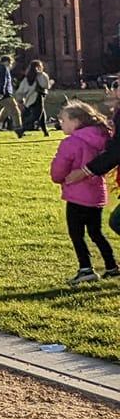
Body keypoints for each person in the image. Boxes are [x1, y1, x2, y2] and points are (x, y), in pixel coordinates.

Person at [52, 102, 119, 285]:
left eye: (63, 120)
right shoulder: (103, 138)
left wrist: (59, 179)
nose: (61, 123)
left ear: (76, 121)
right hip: (96, 194)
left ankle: (85, 268)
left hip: (76, 195)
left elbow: (58, 170)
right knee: (96, 232)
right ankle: (112, 266)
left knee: (76, 233)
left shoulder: (71, 142)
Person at [17, 59, 54, 138]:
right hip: (39, 97)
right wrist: (51, 83)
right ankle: (22, 129)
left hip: (30, 99)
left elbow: (21, 90)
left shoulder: (27, 77)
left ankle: (45, 132)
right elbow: (46, 86)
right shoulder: (42, 75)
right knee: (37, 116)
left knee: (42, 116)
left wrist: (20, 99)